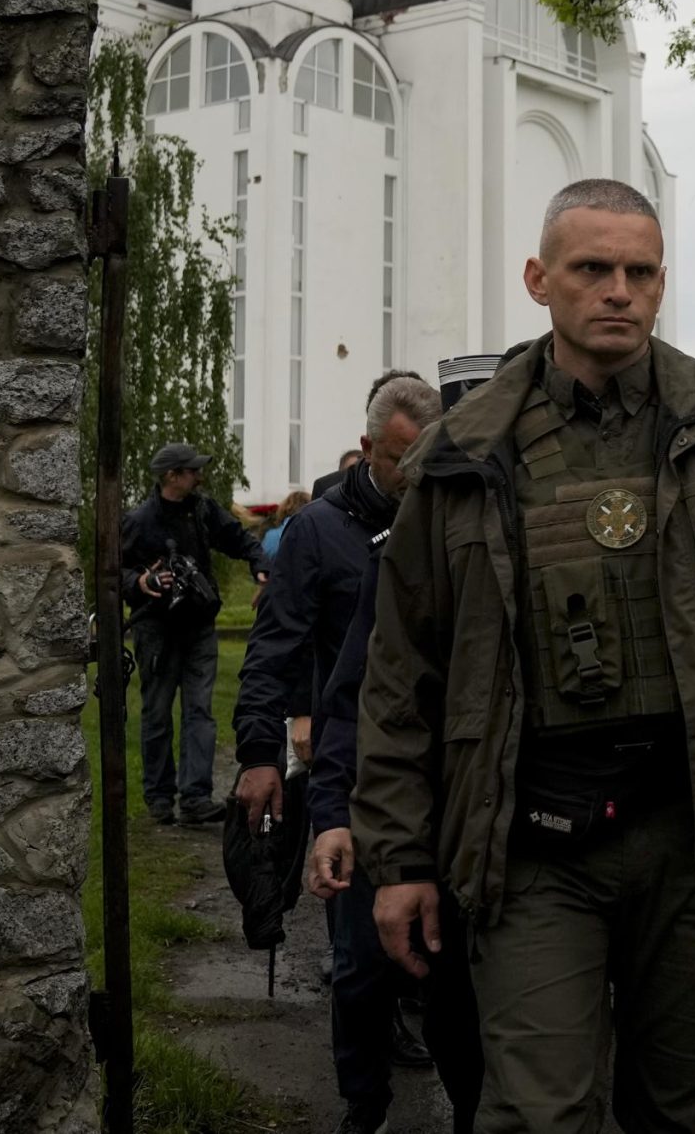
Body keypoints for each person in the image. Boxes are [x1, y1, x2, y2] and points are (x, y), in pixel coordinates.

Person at [352, 178, 695, 1134]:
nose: (619, 290)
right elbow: (400, 679)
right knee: (540, 1112)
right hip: (532, 846)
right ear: (539, 278)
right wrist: (400, 857)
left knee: (683, 1111)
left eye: (640, 271)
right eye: (593, 268)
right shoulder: (459, 457)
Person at [238, 375, 456, 1134]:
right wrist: (260, 748)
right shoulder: (320, 531)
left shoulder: (452, 519)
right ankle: (364, 1099)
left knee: (441, 953)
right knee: (359, 957)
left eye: (429, 458)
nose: (416, 475)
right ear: (369, 450)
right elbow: (275, 644)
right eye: (402, 460)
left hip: (446, 773)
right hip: (353, 761)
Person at [120, 441, 265, 826]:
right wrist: (141, 581)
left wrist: (259, 563)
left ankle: (196, 797)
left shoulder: (202, 510)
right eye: (192, 470)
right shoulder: (139, 521)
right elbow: (113, 573)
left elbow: (237, 537)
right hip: (156, 630)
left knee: (200, 712)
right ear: (172, 476)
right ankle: (160, 797)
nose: (200, 476)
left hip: (199, 626)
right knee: (157, 714)